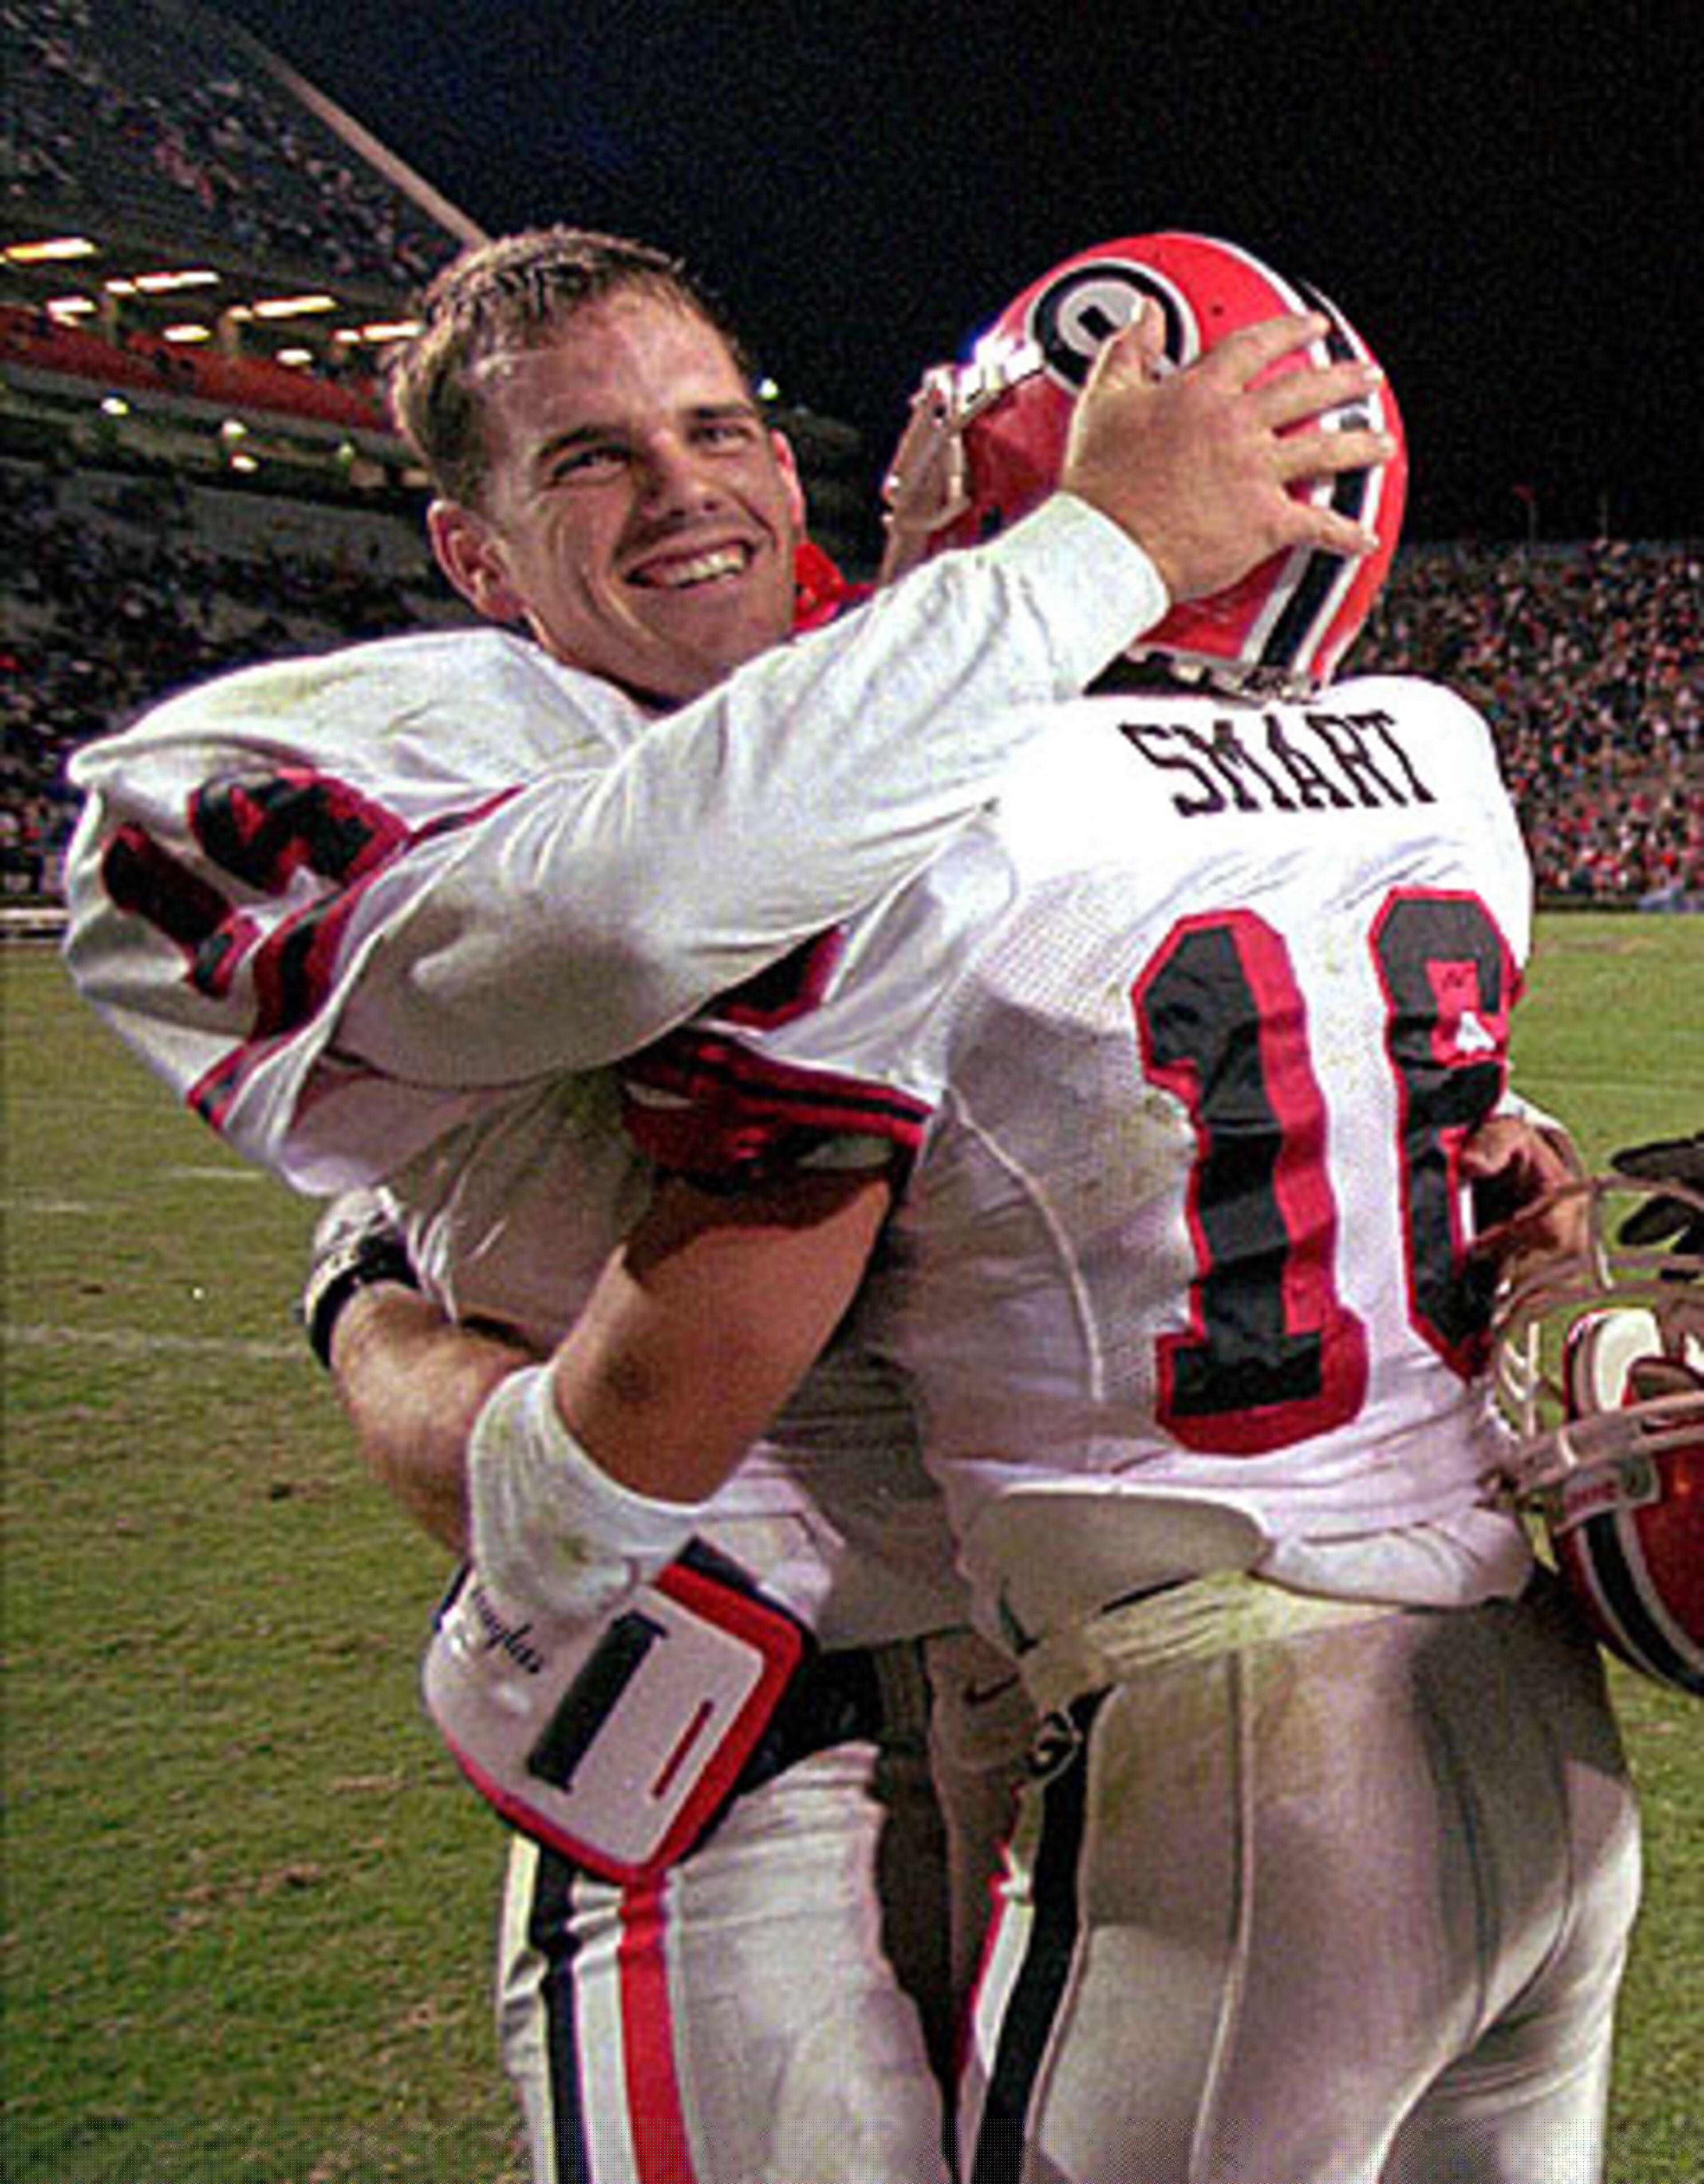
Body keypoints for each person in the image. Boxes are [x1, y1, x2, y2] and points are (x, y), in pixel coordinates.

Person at [61, 224, 1399, 2184]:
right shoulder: (375, 746)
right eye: (589, 457)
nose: (685, 484)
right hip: (734, 1725)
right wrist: (1086, 551)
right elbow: (633, 898)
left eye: (720, 426)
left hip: (1099, 1709)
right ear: (477, 556)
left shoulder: (972, 695)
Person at [459, 235, 1643, 2184]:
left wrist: (948, 588)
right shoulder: (1444, 757)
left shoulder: (939, 805)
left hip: (1232, 1726)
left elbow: (685, 959)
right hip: (1528, 1706)